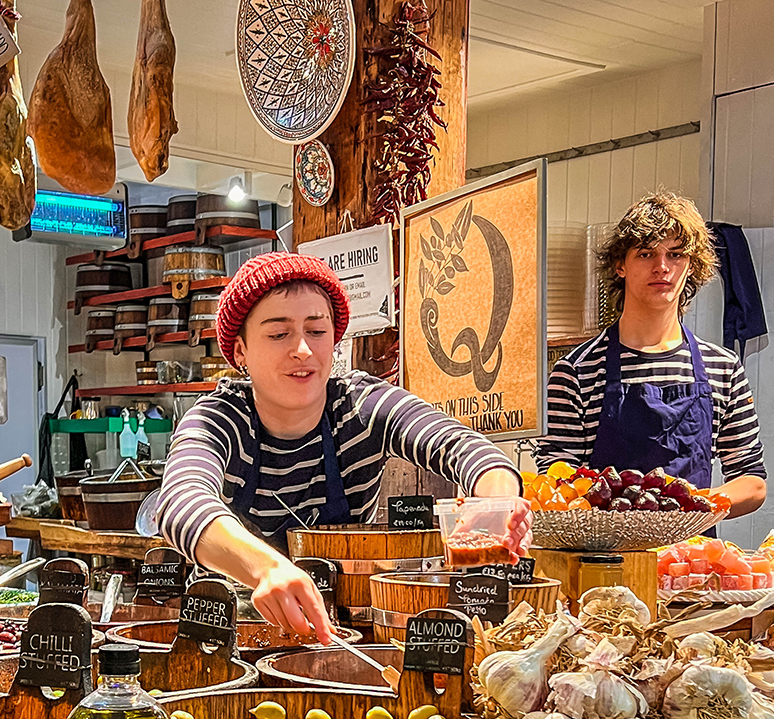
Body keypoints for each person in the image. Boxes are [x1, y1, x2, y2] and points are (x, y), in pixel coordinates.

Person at [156, 252, 531, 643]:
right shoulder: (221, 419)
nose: (302, 349)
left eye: (316, 331)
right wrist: (266, 569)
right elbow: (183, 503)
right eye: (278, 333)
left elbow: (465, 448)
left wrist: (497, 506)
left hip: (343, 635)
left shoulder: (359, 406)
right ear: (239, 351)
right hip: (230, 635)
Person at [535, 192, 766, 518]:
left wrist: (689, 507)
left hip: (689, 562)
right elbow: (556, 482)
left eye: (675, 254)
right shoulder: (576, 372)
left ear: (692, 266)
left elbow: (751, 481)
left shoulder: (722, 369)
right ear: (620, 266)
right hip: (605, 562)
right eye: (645, 254)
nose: (662, 267)